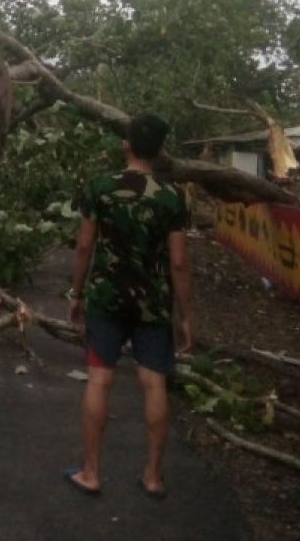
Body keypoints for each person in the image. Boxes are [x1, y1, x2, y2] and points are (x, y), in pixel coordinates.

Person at [65, 112, 192, 498]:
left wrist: (76, 294)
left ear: (127, 146)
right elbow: (179, 261)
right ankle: (153, 476)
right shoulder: (172, 197)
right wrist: (185, 315)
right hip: (152, 303)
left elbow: (85, 245)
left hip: (106, 298)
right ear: (160, 151)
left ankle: (91, 473)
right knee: (153, 381)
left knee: (100, 378)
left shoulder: (100, 187)